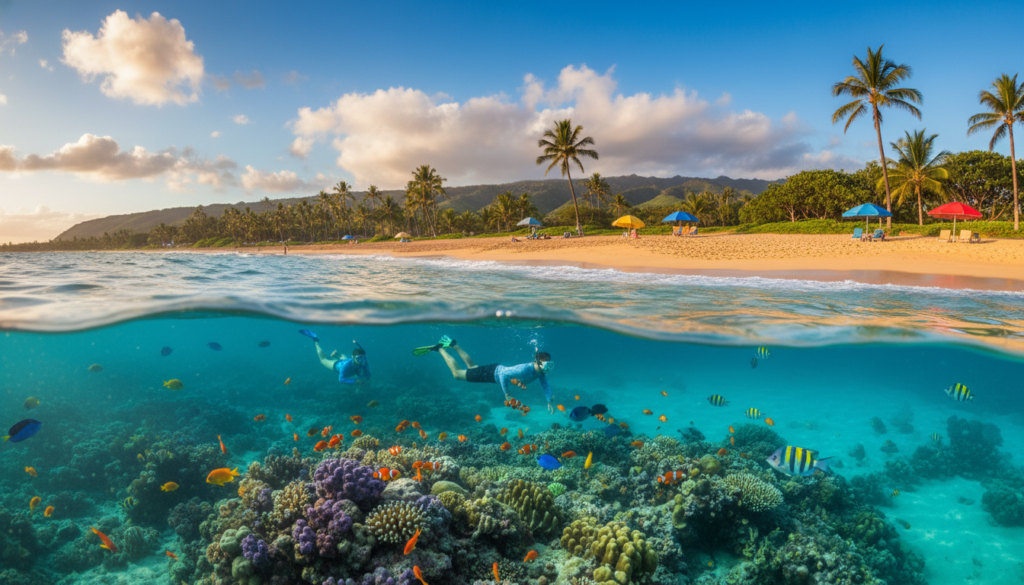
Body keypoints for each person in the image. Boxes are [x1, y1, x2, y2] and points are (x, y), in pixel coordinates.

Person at [415, 336, 555, 413]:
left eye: (551, 365)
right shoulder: (524, 369)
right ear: (538, 362)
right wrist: (507, 394)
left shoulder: (541, 372)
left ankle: (454, 345)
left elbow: (546, 385)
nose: (548, 368)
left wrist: (549, 400)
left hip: (493, 370)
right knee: (457, 375)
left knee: (472, 367)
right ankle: (439, 349)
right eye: (547, 365)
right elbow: (503, 375)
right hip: (492, 374)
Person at [299, 330, 370, 384]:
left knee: (353, 369)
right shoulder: (346, 366)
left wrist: (366, 378)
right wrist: (355, 381)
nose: (362, 361)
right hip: (337, 365)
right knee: (323, 360)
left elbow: (367, 375)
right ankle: (315, 340)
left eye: (364, 358)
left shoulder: (363, 362)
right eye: (359, 358)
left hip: (347, 362)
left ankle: (338, 356)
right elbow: (341, 379)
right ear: (353, 357)